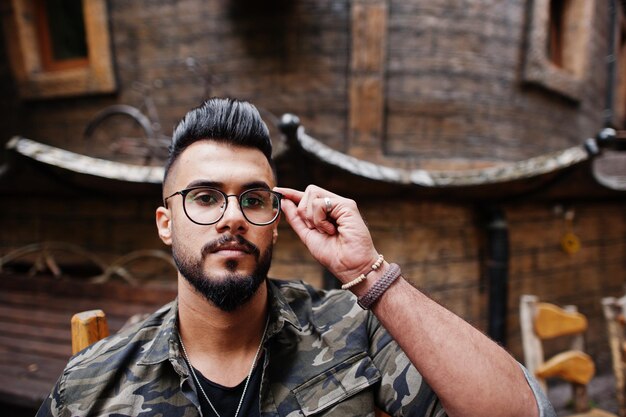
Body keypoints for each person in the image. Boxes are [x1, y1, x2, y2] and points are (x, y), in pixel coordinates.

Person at [36, 98, 555, 417]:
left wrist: (369, 275)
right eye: (205, 197)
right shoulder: (91, 383)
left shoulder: (353, 329)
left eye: (254, 199)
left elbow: (521, 413)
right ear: (165, 224)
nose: (232, 216)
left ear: (276, 224)